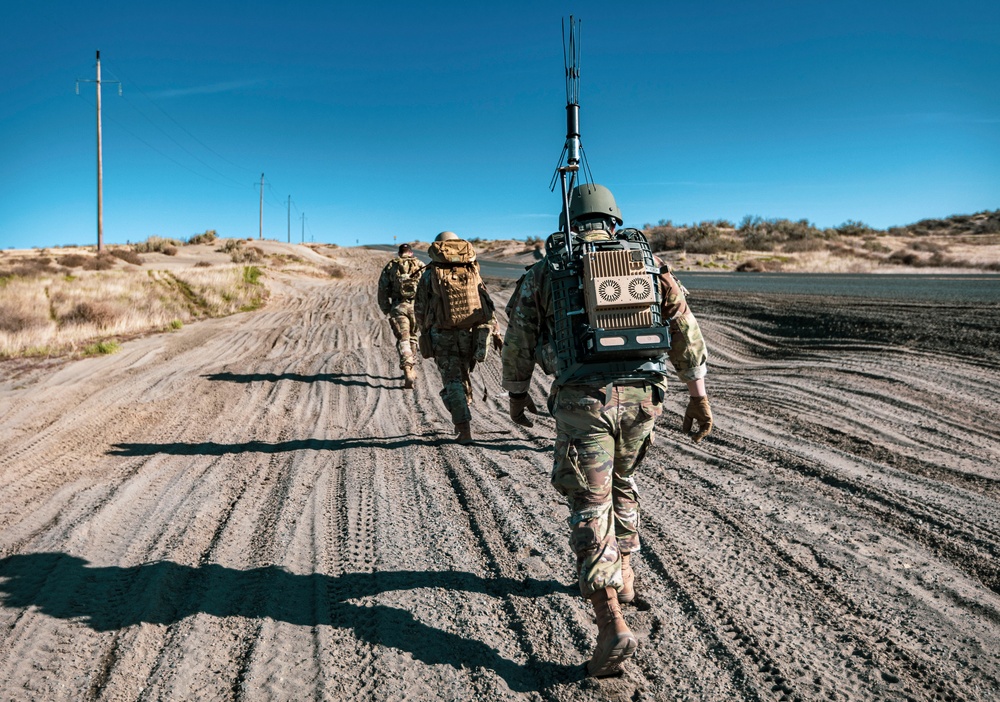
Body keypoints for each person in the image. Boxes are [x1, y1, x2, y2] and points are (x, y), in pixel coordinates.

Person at [501, 183, 713, 676]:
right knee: (623, 481)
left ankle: (609, 621)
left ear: (571, 221)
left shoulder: (547, 272)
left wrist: (516, 391)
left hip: (583, 402)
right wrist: (698, 396)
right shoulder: (649, 265)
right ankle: (629, 575)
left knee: (588, 503)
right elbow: (685, 329)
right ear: (615, 220)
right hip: (644, 399)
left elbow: (519, 337)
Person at [415, 231, 498, 445]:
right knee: (462, 376)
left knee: (452, 380)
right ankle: (463, 405)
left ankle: (464, 428)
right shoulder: (472, 270)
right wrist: (493, 329)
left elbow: (420, 309)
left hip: (442, 334)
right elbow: (485, 301)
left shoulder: (430, 273)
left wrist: (425, 332)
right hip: (469, 333)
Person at [377, 243, 425, 389]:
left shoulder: (391, 266)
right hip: (417, 307)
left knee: (403, 338)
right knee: (413, 336)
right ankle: (412, 366)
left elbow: (382, 289)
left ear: (399, 254)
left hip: (399, 307)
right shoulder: (420, 264)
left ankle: (407, 369)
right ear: (411, 253)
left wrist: (386, 308)